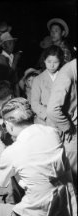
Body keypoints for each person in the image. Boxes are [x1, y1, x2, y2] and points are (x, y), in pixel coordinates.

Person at [47, 58, 77, 192]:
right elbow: (52, 110)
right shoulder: (66, 75)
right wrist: (68, 128)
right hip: (69, 133)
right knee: (72, 178)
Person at [31, 45, 64, 125]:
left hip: (63, 119)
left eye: (55, 62)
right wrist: (47, 116)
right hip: (44, 121)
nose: (52, 65)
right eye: (49, 62)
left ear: (60, 62)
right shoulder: (38, 79)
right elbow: (34, 103)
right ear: (44, 60)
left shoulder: (65, 78)